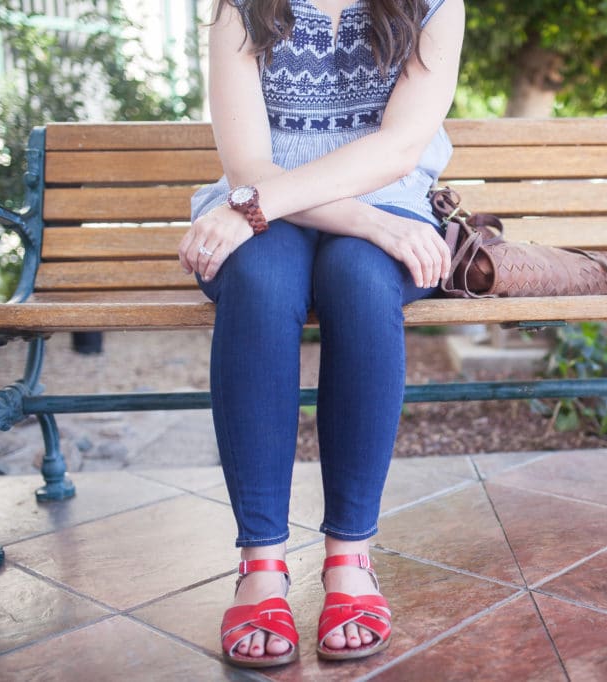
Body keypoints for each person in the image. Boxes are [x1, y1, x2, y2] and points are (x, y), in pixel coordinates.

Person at [179, 0, 464, 668]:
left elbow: (397, 151)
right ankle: (261, 567)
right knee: (259, 281)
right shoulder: (241, 7)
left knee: (362, 285)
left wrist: (374, 222)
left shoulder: (435, 6)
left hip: (377, 205)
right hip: (268, 210)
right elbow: (247, 161)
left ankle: (350, 561)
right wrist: (365, 224)